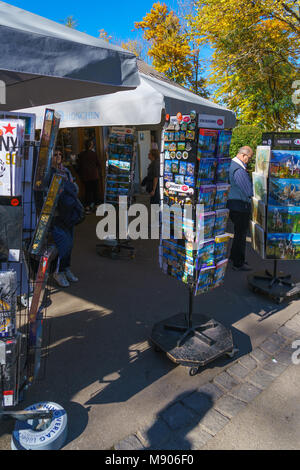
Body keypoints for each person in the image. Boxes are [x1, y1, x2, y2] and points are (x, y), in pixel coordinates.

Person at [51, 149, 82, 288]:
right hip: (57, 214)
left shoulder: (66, 171)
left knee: (70, 242)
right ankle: (58, 272)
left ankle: (66, 268)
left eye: (60, 154)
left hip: (69, 212)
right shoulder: (49, 173)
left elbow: (75, 188)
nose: (58, 157)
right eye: (55, 154)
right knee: (63, 243)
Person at [227, 145, 254, 271]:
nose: (249, 160)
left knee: (238, 234)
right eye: (249, 158)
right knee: (240, 235)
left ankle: (234, 258)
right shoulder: (239, 170)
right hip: (240, 207)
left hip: (235, 205)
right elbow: (248, 190)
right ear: (243, 155)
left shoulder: (232, 165)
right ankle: (238, 262)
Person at [77, 139, 101, 214]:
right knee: (95, 191)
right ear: (91, 145)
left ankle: (87, 207)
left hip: (85, 176)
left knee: (88, 191)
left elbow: (79, 165)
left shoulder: (81, 154)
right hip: (94, 175)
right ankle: (97, 206)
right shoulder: (94, 154)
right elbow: (98, 164)